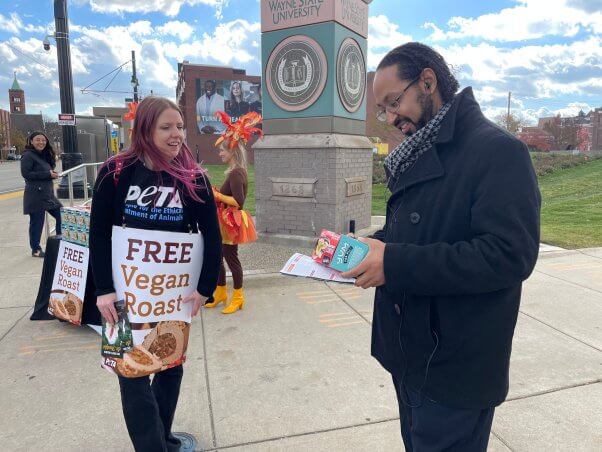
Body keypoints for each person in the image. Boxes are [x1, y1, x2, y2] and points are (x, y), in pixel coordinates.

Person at [341, 43, 541, 451]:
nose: (390, 118)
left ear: (427, 82)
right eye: (383, 109)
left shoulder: (499, 151)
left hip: (454, 366)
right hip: (410, 352)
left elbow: (507, 255)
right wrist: (371, 247)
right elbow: (425, 231)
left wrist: (392, 263)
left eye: (394, 102)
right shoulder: (418, 150)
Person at [89, 96, 222, 452]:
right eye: (166, 127)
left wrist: (205, 286)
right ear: (145, 129)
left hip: (173, 294)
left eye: (179, 126)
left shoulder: (194, 178)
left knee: (169, 366)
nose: (176, 134)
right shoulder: (115, 172)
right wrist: (103, 289)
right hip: (122, 296)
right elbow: (99, 232)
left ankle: (162, 439)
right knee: (130, 373)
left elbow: (212, 234)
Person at [204, 111, 260, 314]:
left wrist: (217, 196)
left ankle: (238, 296)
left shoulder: (237, 172)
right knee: (218, 256)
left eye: (222, 151)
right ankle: (220, 292)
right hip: (224, 220)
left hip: (231, 220)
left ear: (232, 152)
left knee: (231, 258)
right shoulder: (233, 171)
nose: (220, 154)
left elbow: (238, 201)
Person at [20, 131, 62, 257]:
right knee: (37, 222)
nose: (41, 142)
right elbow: (26, 174)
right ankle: (36, 249)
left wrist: (51, 173)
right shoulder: (28, 155)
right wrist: (48, 174)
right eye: (38, 140)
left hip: (47, 194)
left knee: (62, 215)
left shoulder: (42, 155)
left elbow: (43, 171)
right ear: (31, 141)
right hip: (35, 195)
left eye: (43, 140)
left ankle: (60, 241)